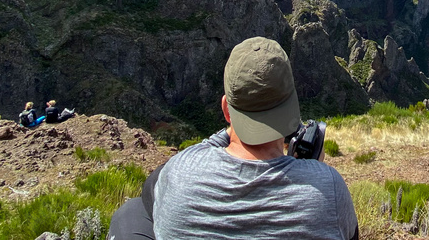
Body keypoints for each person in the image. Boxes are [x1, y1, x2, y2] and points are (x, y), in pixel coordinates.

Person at [108, 36, 359, 240]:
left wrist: (233, 129)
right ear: (293, 107)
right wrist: (312, 166)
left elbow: (149, 190)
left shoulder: (179, 171)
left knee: (130, 213)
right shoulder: (329, 188)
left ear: (226, 110)